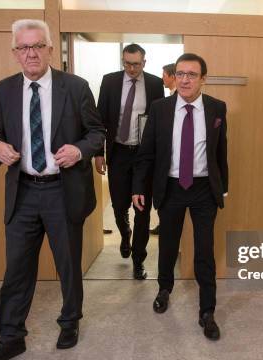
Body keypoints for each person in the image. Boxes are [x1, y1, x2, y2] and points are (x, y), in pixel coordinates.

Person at [0, 19, 105, 360]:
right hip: (22, 193)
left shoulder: (76, 87)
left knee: (67, 265)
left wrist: (79, 150)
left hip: (62, 192)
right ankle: (10, 336)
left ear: (50, 49)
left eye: (37, 46)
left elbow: (96, 133)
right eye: (23, 48)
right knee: (17, 267)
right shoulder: (3, 89)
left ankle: (69, 322)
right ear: (15, 53)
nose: (31, 53)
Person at [132, 53, 228, 341]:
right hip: (171, 187)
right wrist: (139, 186)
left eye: (192, 74)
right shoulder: (160, 108)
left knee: (204, 250)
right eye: (180, 73)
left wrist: (223, 187)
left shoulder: (217, 108)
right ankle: (164, 289)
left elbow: (221, 151)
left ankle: (207, 310)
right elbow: (146, 152)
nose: (185, 79)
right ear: (174, 77)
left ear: (203, 79)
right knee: (168, 244)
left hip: (203, 189)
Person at [95, 44, 164, 279]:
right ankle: (125, 234)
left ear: (144, 62)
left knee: (142, 210)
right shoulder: (110, 81)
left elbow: (158, 122)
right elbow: (99, 120)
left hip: (144, 156)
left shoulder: (155, 84)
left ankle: (138, 259)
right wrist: (98, 153)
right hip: (119, 153)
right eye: (127, 63)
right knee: (118, 205)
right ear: (122, 61)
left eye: (136, 64)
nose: (131, 69)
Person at [150, 63, 177, 236]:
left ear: (172, 76)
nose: (162, 78)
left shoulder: (174, 101)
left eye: (164, 75)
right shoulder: (162, 104)